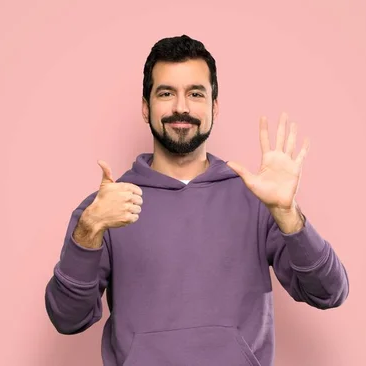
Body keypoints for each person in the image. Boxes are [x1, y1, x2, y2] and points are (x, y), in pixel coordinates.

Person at [45, 34, 349, 366]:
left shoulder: (258, 200)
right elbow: (67, 319)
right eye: (166, 93)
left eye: (195, 93)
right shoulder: (106, 207)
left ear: (214, 107)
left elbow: (328, 292)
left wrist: (288, 213)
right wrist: (89, 229)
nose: (181, 107)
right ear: (146, 108)